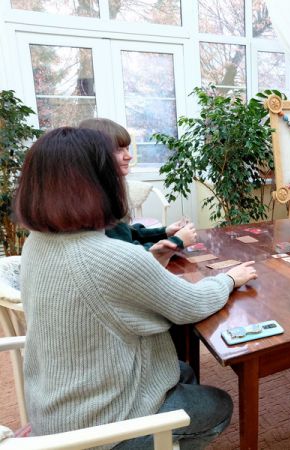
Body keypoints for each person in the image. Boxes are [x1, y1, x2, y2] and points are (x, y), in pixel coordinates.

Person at [14, 127, 258, 449]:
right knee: (218, 404)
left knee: (181, 371)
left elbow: (113, 294)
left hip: (54, 410)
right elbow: (190, 305)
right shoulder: (110, 256)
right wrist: (229, 278)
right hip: (98, 430)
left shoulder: (35, 243)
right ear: (102, 184)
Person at [79, 118, 196, 266]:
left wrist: (165, 232)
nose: (129, 156)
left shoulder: (103, 190)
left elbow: (125, 234)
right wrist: (176, 241)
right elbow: (125, 256)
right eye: (118, 150)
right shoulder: (95, 202)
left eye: (127, 148)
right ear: (94, 155)